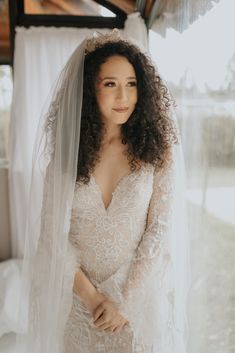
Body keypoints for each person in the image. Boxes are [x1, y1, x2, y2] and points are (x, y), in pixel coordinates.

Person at [17, 29, 190, 353]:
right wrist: (93, 298)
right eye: (110, 84)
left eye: (131, 84)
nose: (123, 96)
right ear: (89, 90)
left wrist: (124, 302)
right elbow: (54, 237)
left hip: (136, 303)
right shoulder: (66, 158)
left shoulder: (158, 152)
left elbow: (159, 231)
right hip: (80, 306)